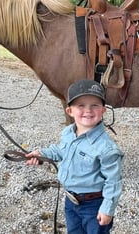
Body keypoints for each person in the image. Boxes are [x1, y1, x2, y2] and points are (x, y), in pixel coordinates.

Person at [25, 79, 124, 234]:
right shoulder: (68, 133)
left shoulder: (107, 148)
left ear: (103, 110)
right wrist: (41, 154)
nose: (88, 110)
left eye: (95, 105)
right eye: (81, 105)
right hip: (71, 201)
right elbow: (60, 151)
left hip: (94, 206)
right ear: (69, 111)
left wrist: (107, 209)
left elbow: (114, 181)